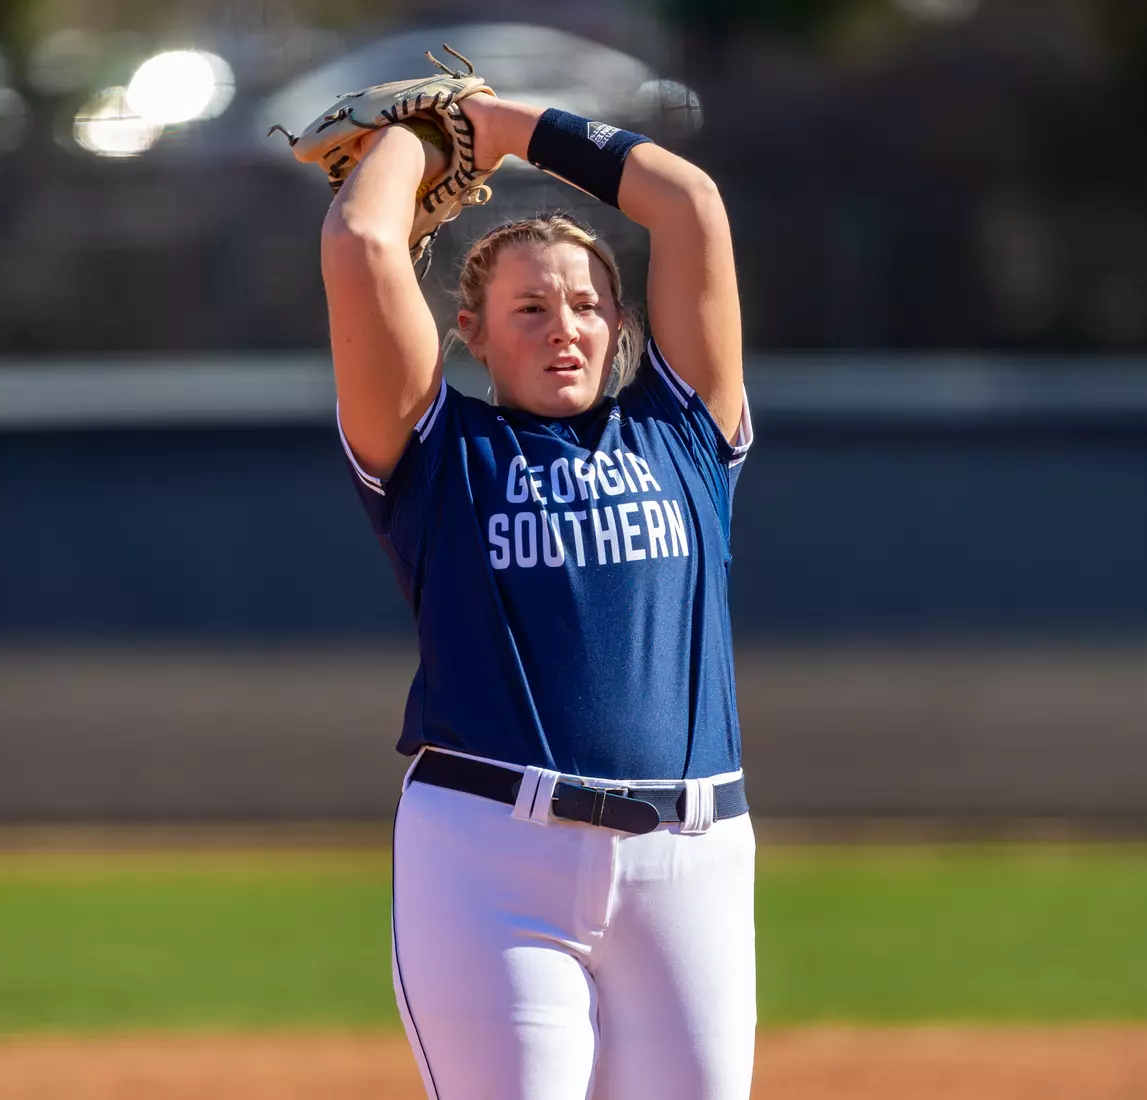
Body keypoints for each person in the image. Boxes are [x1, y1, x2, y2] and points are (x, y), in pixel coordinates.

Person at [321, 88, 755, 1100]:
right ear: (469, 328)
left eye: (589, 303)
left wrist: (503, 124)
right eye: (531, 306)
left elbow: (687, 203)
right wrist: (412, 139)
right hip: (489, 860)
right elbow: (363, 247)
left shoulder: (686, 431)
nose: (567, 327)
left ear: (622, 324)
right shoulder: (439, 452)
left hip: (692, 860)